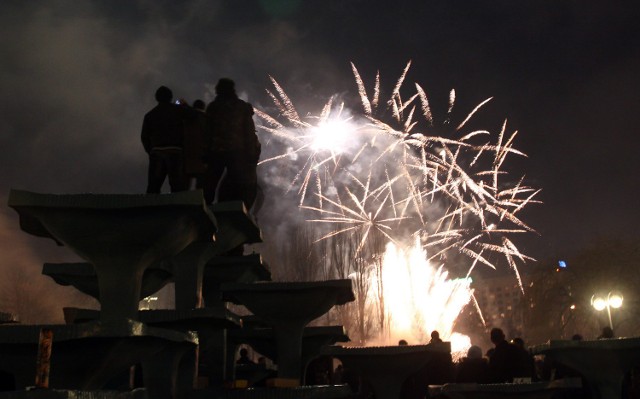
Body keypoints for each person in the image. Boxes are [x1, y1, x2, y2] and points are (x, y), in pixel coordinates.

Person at [202, 78, 261, 207]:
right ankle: (234, 206)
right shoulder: (242, 107)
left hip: (217, 150)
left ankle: (205, 207)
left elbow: (207, 132)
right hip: (237, 152)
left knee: (210, 181)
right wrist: (250, 154)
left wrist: (205, 152)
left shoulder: (213, 107)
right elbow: (249, 132)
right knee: (237, 182)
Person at [141, 86, 191, 193]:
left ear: (157, 98)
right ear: (170, 97)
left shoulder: (150, 115)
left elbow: (144, 136)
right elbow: (193, 115)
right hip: (175, 150)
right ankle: (176, 208)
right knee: (177, 186)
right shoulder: (178, 110)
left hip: (157, 151)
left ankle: (151, 207)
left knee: (153, 186)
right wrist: (184, 104)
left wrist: (151, 150)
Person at [182, 99, 208, 188]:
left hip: (186, 157)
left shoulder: (185, 119)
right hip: (201, 157)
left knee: (184, 188)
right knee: (200, 189)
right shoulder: (206, 119)